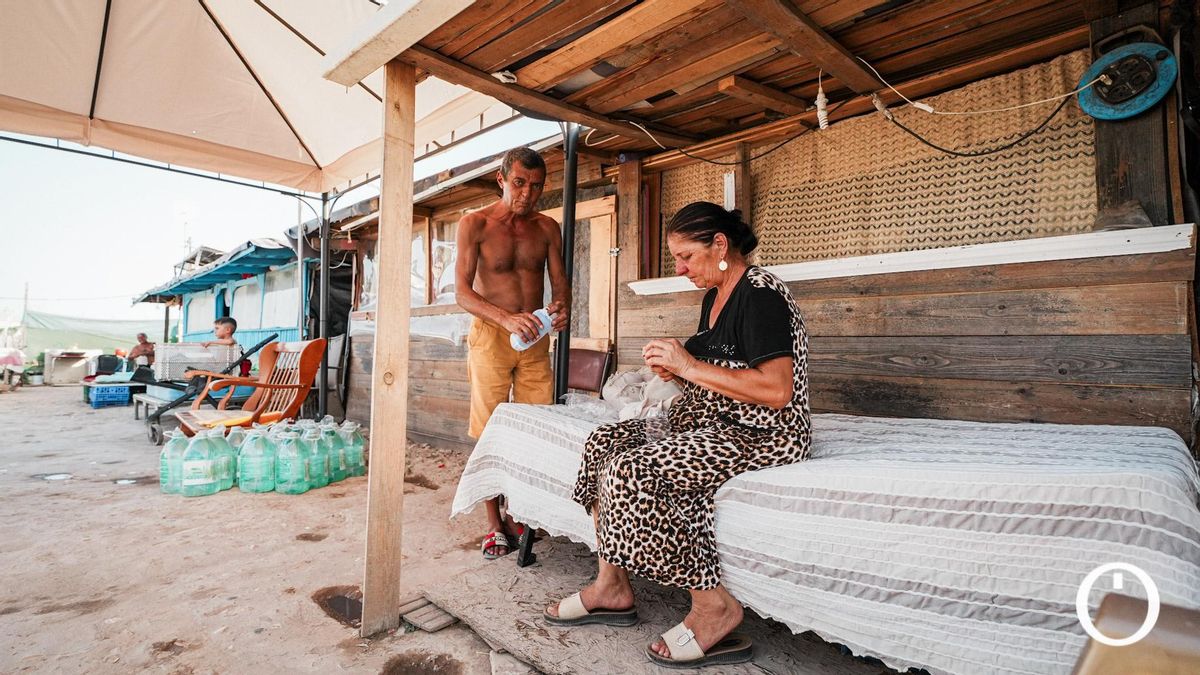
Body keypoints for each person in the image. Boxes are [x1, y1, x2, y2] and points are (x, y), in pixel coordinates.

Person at [543, 202, 811, 668]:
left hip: (761, 431)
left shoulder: (761, 292)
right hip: (709, 417)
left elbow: (776, 389)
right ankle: (612, 584)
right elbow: (719, 373)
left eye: (687, 256)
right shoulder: (715, 296)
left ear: (720, 246)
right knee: (603, 443)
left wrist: (689, 364)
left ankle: (713, 606)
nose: (680, 268)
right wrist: (678, 370)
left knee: (637, 467)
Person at [455, 146, 570, 559]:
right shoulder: (475, 224)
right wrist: (505, 319)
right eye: (519, 183)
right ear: (501, 180)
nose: (527, 194)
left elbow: (560, 282)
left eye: (536, 186)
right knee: (489, 429)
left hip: (535, 337)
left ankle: (520, 510)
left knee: (535, 427)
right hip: (491, 335)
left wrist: (559, 310)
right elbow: (462, 293)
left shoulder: (547, 227)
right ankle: (492, 523)